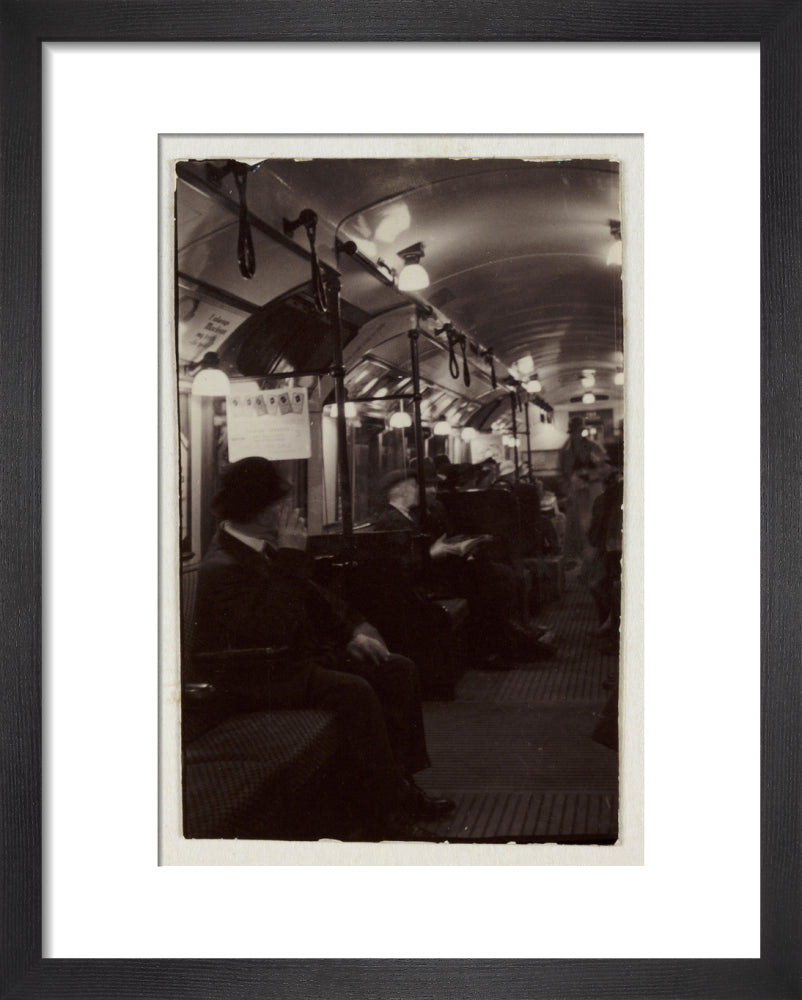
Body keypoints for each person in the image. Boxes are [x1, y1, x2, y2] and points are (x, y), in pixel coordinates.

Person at [191, 457, 455, 840]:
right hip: (255, 675)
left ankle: (402, 785)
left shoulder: (260, 548)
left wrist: (350, 634)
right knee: (354, 690)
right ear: (258, 509)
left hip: (288, 662)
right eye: (279, 504)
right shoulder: (224, 564)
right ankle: (382, 810)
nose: (288, 511)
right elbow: (271, 627)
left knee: (396, 669)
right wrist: (292, 556)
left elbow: (314, 599)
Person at [372, 465, 556, 662]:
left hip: (430, 575)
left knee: (487, 574)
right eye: (415, 486)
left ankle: (506, 641)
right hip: (422, 585)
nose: (420, 490)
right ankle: (501, 645)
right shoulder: (391, 522)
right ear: (401, 491)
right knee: (486, 580)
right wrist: (433, 553)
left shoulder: (408, 516)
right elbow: (403, 563)